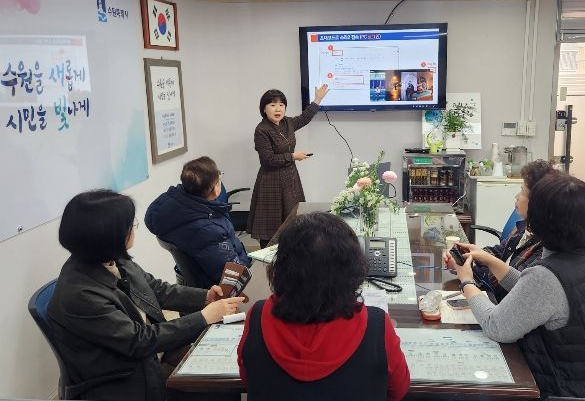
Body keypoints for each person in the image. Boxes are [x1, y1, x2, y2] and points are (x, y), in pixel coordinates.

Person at [48, 190, 245, 401]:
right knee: (219, 387)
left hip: (151, 354)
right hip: (125, 376)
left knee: (234, 361)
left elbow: (157, 289)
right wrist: (204, 317)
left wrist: (205, 297)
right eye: (130, 225)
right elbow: (139, 341)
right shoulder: (80, 295)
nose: (134, 229)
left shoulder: (113, 258)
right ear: (109, 235)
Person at [445, 173, 585, 399]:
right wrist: (490, 260)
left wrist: (466, 281)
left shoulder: (547, 277)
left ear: (538, 220)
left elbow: (495, 326)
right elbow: (530, 290)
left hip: (564, 393)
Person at [238, 212, 410, 400]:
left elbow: (248, 379)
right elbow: (398, 390)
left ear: (282, 265)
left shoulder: (257, 316)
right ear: (352, 268)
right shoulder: (376, 325)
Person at [145, 156, 250, 288]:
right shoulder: (209, 230)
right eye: (219, 178)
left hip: (199, 279)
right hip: (218, 289)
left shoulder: (173, 207)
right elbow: (234, 276)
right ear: (215, 190)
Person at [246, 85, 329, 248]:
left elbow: (305, 117)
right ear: (264, 109)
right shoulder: (261, 130)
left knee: (293, 223)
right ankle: (268, 258)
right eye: (272, 105)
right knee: (271, 227)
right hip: (270, 182)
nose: (278, 109)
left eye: (281, 105)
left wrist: (318, 99)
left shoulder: (288, 123)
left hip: (290, 179)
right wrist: (292, 156)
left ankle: (292, 255)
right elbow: (267, 159)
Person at [468, 159, 557, 300]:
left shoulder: (543, 249)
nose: (517, 196)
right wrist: (469, 256)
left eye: (522, 191)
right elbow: (499, 251)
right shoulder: (525, 228)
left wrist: (469, 271)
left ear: (537, 202)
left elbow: (511, 287)